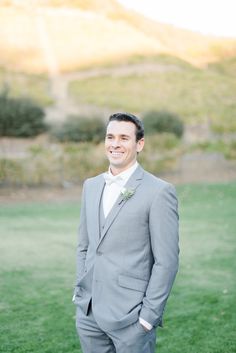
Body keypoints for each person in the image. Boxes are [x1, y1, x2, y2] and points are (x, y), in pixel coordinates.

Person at [73, 112, 179, 353]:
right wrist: (80, 295)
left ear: (139, 144)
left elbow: (167, 261)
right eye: (110, 137)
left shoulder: (159, 192)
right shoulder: (91, 186)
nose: (115, 144)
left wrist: (148, 317)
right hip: (89, 315)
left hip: (132, 319)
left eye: (124, 138)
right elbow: (84, 245)